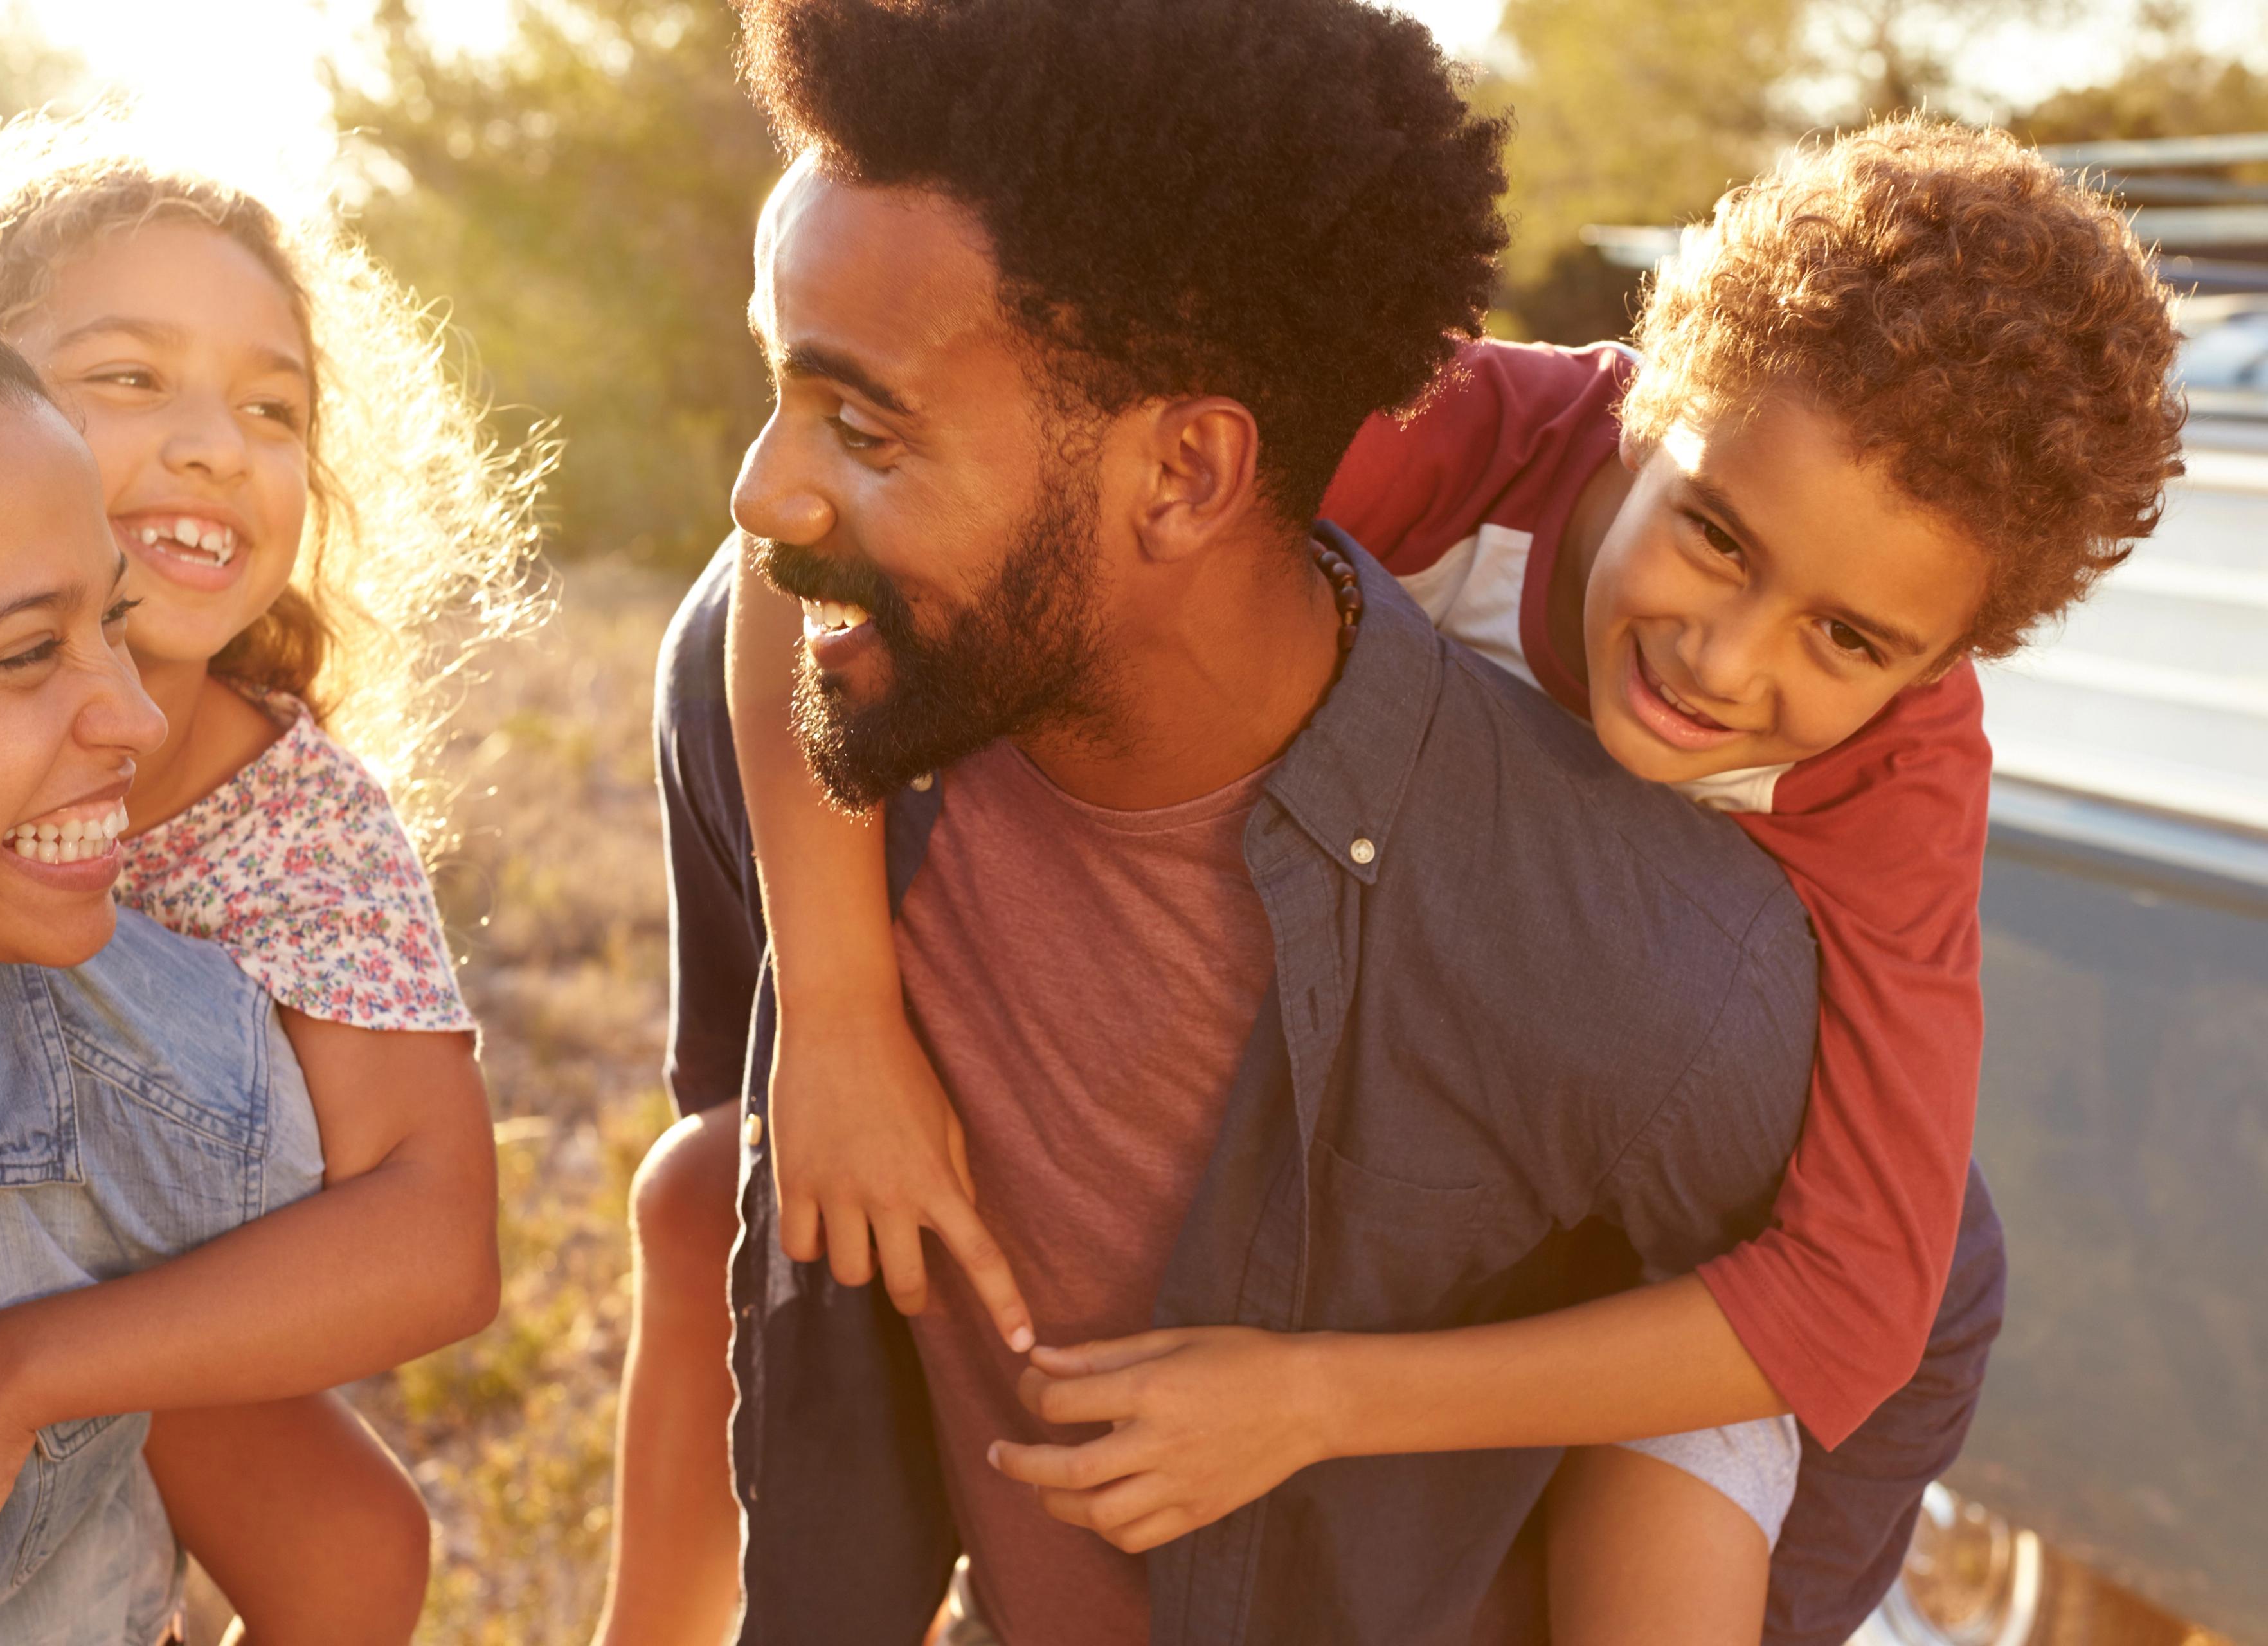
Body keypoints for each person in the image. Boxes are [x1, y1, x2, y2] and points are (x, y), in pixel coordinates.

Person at [620, 2, 2010, 1642]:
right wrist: (839, 1016)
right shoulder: (1442, 435)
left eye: (1847, 638)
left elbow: (1871, 1298)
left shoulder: (1847, 828)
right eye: (1710, 536)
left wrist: (1322, 1397)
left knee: (1736, 1441)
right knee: (711, 1172)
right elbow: (801, 561)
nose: (1729, 654)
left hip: (1721, 1275)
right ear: (1653, 430)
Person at [0, 111, 548, 1642]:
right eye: (127, 377)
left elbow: (438, 1233)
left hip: (78, 1356)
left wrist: (29, 1366)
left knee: (358, 1538)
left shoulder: (294, 817)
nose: (212, 445)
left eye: (274, 408)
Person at [0, 236, 429, 1646]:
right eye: (29, 652)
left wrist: (17, 1368)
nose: (134, 720)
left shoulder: (174, 1087)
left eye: (118, 624)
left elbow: (357, 1524)